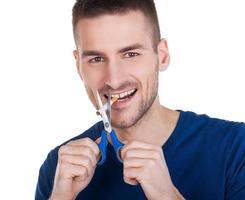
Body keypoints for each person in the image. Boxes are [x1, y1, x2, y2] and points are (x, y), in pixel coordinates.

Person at [35, 0, 245, 199]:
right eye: (96, 59)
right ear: (78, 66)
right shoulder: (59, 169)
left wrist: (166, 196)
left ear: (161, 56)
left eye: (130, 54)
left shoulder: (236, 148)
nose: (114, 80)